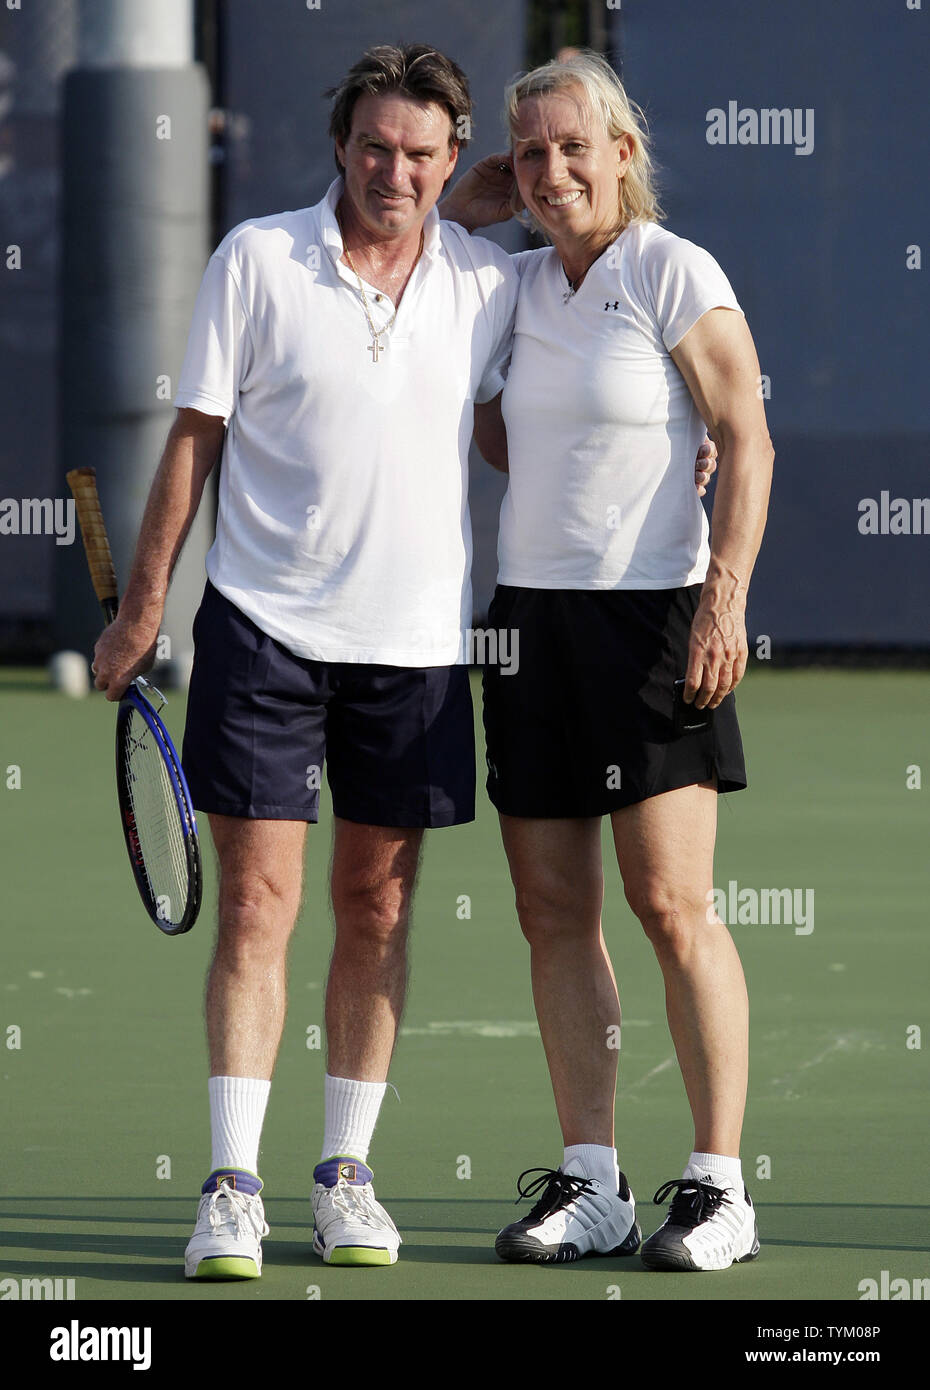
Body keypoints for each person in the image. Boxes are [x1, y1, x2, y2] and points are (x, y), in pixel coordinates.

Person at [90, 42, 716, 1280]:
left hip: (419, 650)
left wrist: (679, 452)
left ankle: (344, 1177)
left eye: (422, 154)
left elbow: (581, 399)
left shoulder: (491, 284)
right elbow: (193, 441)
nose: (394, 171)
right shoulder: (256, 259)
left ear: (451, 159)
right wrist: (141, 607)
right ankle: (230, 1186)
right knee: (261, 907)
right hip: (263, 628)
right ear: (340, 146)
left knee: (376, 907)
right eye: (375, 146)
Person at [440, 51, 774, 1272]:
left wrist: (722, 599)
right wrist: (466, 208)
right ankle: (593, 1183)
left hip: (656, 621)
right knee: (552, 911)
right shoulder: (511, 285)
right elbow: (488, 432)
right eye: (530, 154)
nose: (553, 170)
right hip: (530, 625)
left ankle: (720, 1186)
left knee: (671, 906)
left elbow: (745, 435)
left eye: (575, 146)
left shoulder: (672, 270)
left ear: (624, 151)